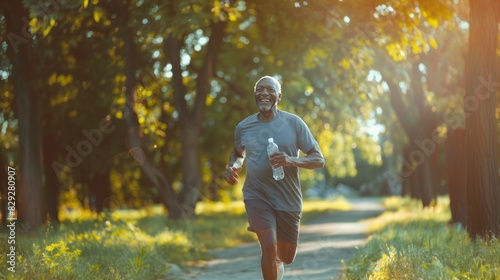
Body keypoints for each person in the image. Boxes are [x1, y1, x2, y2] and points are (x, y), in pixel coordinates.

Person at [224, 76, 325, 280]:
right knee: (269, 247)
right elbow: (237, 153)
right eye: (260, 90)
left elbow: (318, 159)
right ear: (255, 95)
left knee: (285, 256)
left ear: (279, 95)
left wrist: (290, 160)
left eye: (270, 90)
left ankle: (277, 265)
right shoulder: (244, 127)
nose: (264, 93)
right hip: (256, 195)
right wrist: (233, 166)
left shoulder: (293, 123)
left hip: (288, 198)